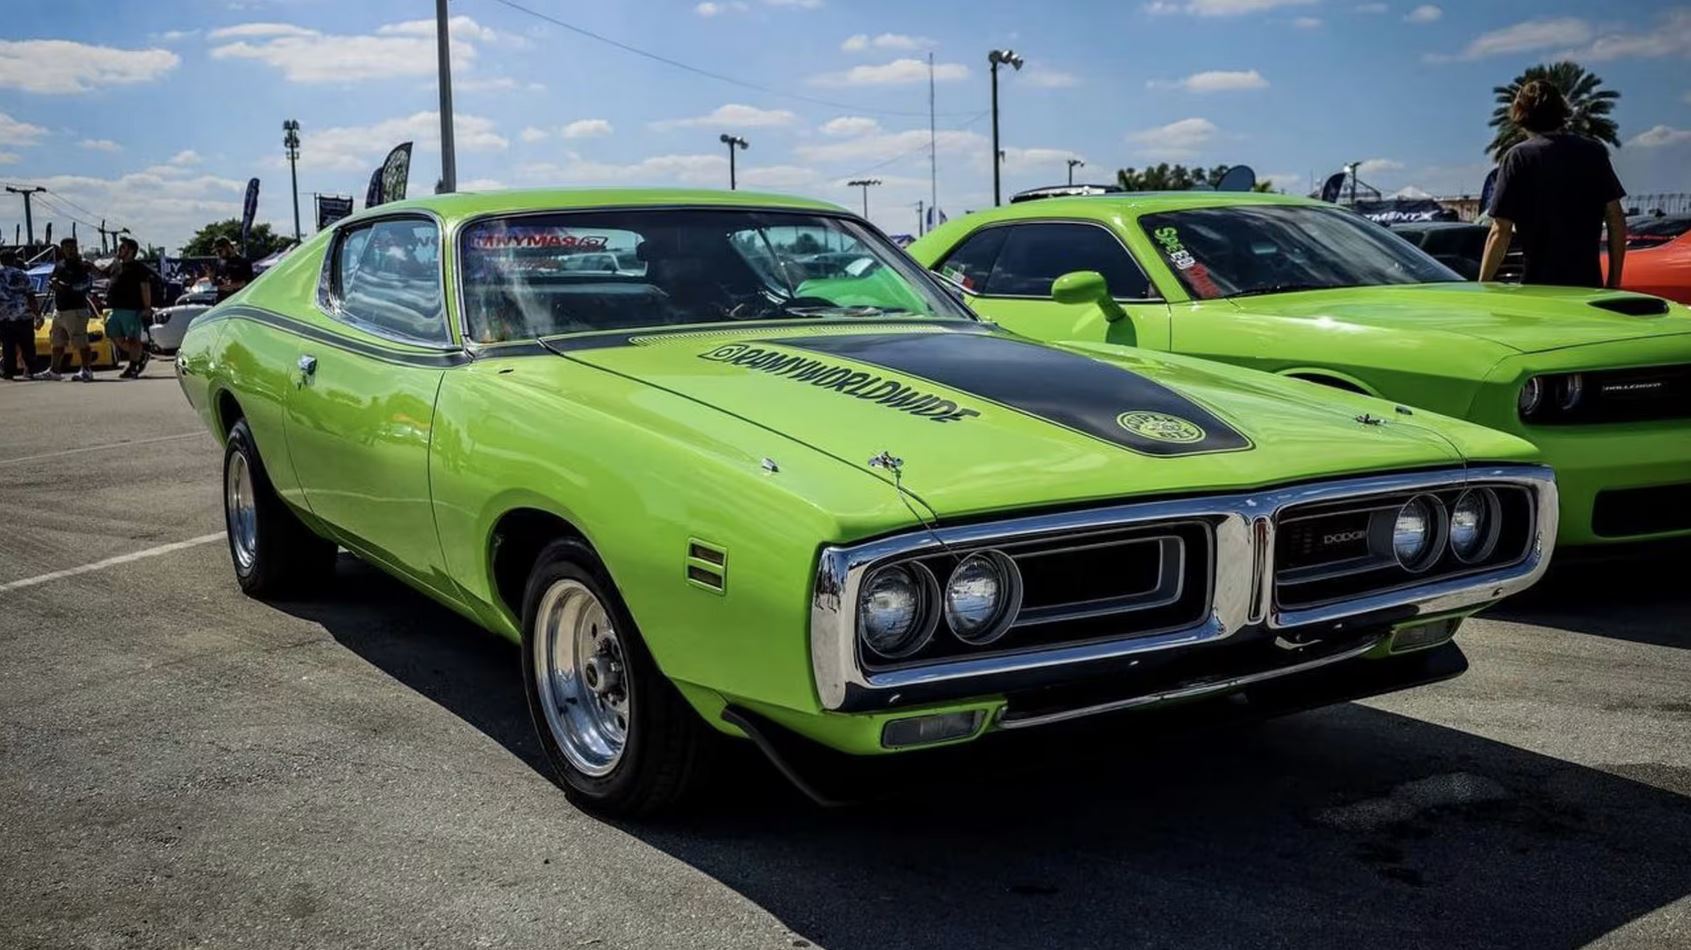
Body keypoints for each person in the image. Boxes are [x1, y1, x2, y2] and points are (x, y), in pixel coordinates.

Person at [1481, 79, 1627, 289]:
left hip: (1539, 287)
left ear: (1520, 113)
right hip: (1587, 286)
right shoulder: (1593, 152)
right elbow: (1615, 219)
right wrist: (1614, 282)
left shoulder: (1519, 157)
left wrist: (1482, 286)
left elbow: (1500, 231)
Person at [46, 237, 97, 381]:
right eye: (66, 247)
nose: (70, 250)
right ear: (62, 249)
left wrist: (63, 286)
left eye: (72, 247)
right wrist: (53, 283)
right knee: (57, 342)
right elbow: (52, 280)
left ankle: (86, 370)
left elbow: (84, 286)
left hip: (76, 310)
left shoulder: (83, 266)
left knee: (81, 342)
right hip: (60, 310)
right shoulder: (60, 265)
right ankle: (54, 370)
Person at [105, 237, 153, 379]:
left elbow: (145, 288)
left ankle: (133, 366)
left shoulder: (139, 268)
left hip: (131, 309)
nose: (120, 249)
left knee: (133, 339)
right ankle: (140, 355)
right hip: (115, 308)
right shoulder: (116, 265)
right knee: (113, 334)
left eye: (123, 247)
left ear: (131, 251)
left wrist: (147, 307)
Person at [0, 250, 40, 380]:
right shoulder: (23, 274)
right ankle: (31, 370)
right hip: (24, 315)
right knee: (28, 345)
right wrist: (37, 314)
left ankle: (9, 371)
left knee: (8, 346)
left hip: (5, 316)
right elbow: (30, 295)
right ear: (14, 260)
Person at [214, 237, 253, 302]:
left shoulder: (243, 262)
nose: (218, 254)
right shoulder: (220, 263)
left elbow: (249, 282)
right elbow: (216, 282)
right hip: (222, 301)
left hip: (239, 300)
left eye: (220, 251)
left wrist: (232, 286)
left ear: (228, 247)